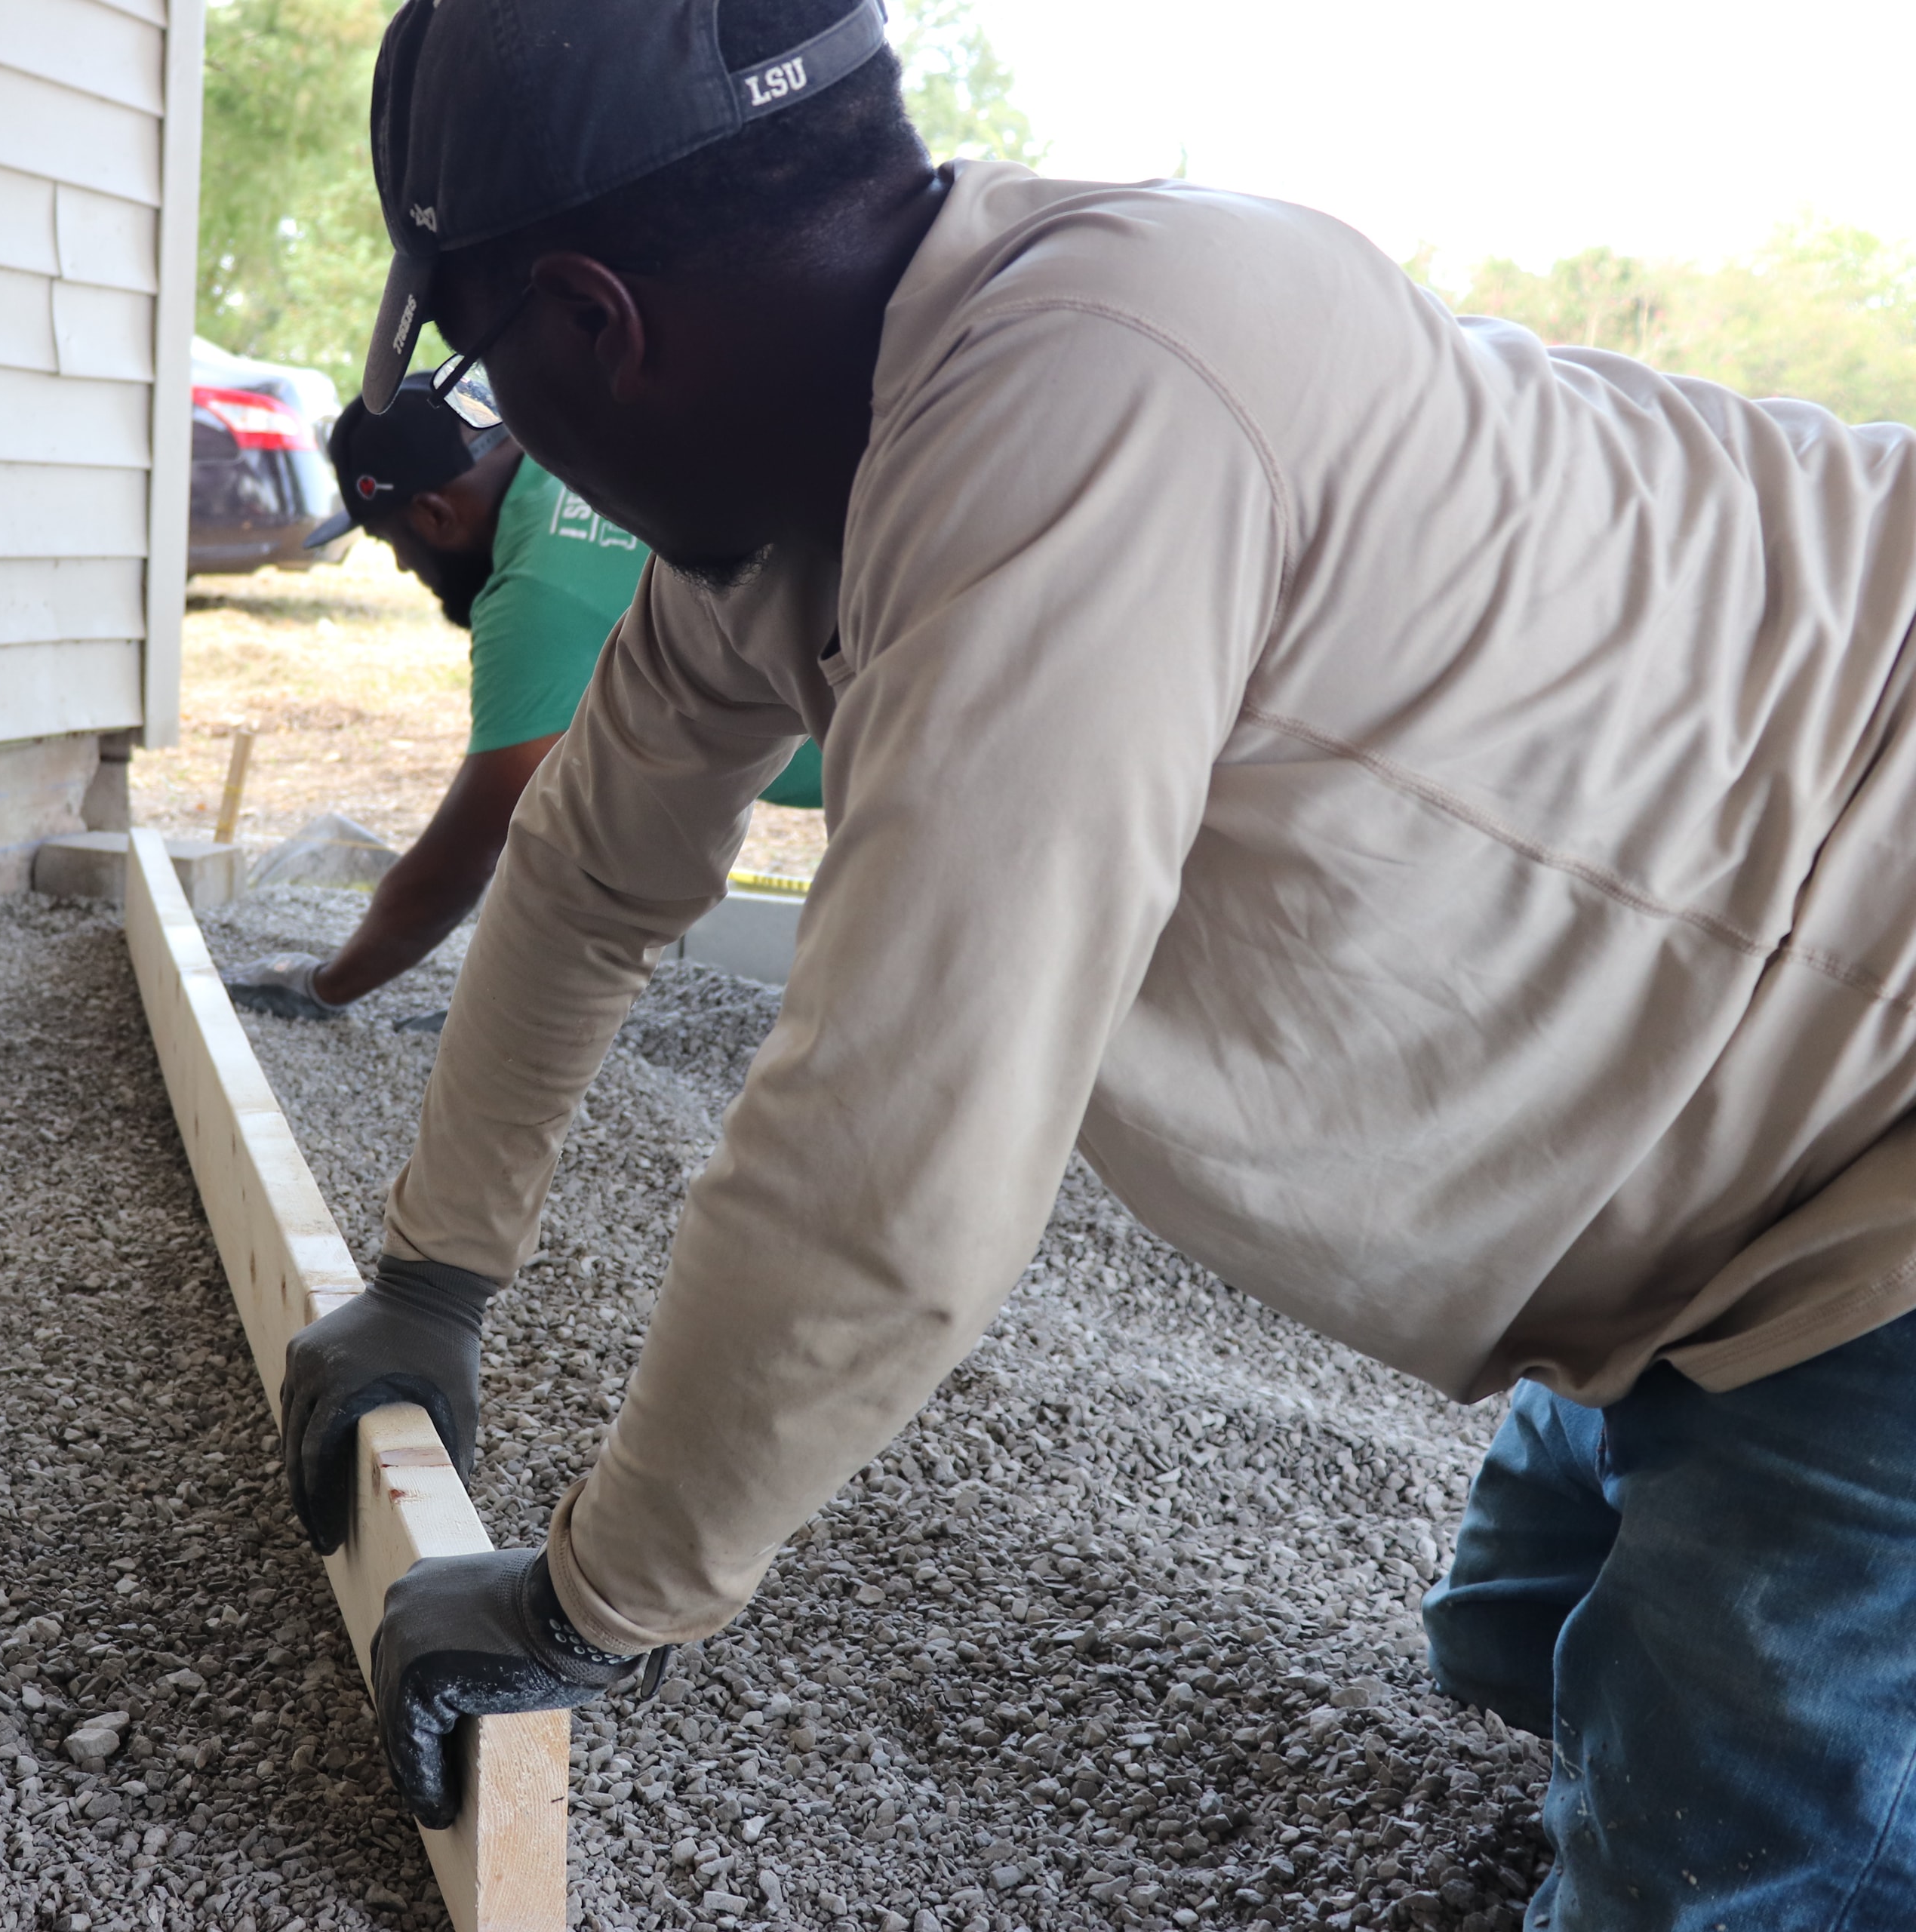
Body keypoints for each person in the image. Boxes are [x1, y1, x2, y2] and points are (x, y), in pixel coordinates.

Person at [272, 0, 1916, 1922]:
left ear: (594, 319)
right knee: (1507, 1662)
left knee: (1731, 1855)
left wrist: (587, 1602)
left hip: (1864, 1126)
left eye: (485, 367)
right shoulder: (805, 493)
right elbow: (580, 871)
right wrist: (432, 1271)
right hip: (1701, 1144)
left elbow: (891, 1151)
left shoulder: (1090, 396)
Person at [220, 378, 821, 1023]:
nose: (401, 568)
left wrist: (326, 986)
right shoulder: (588, 448)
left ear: (435, 517)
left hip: (858, 740)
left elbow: (466, 851)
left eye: (391, 542)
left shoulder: (535, 596)